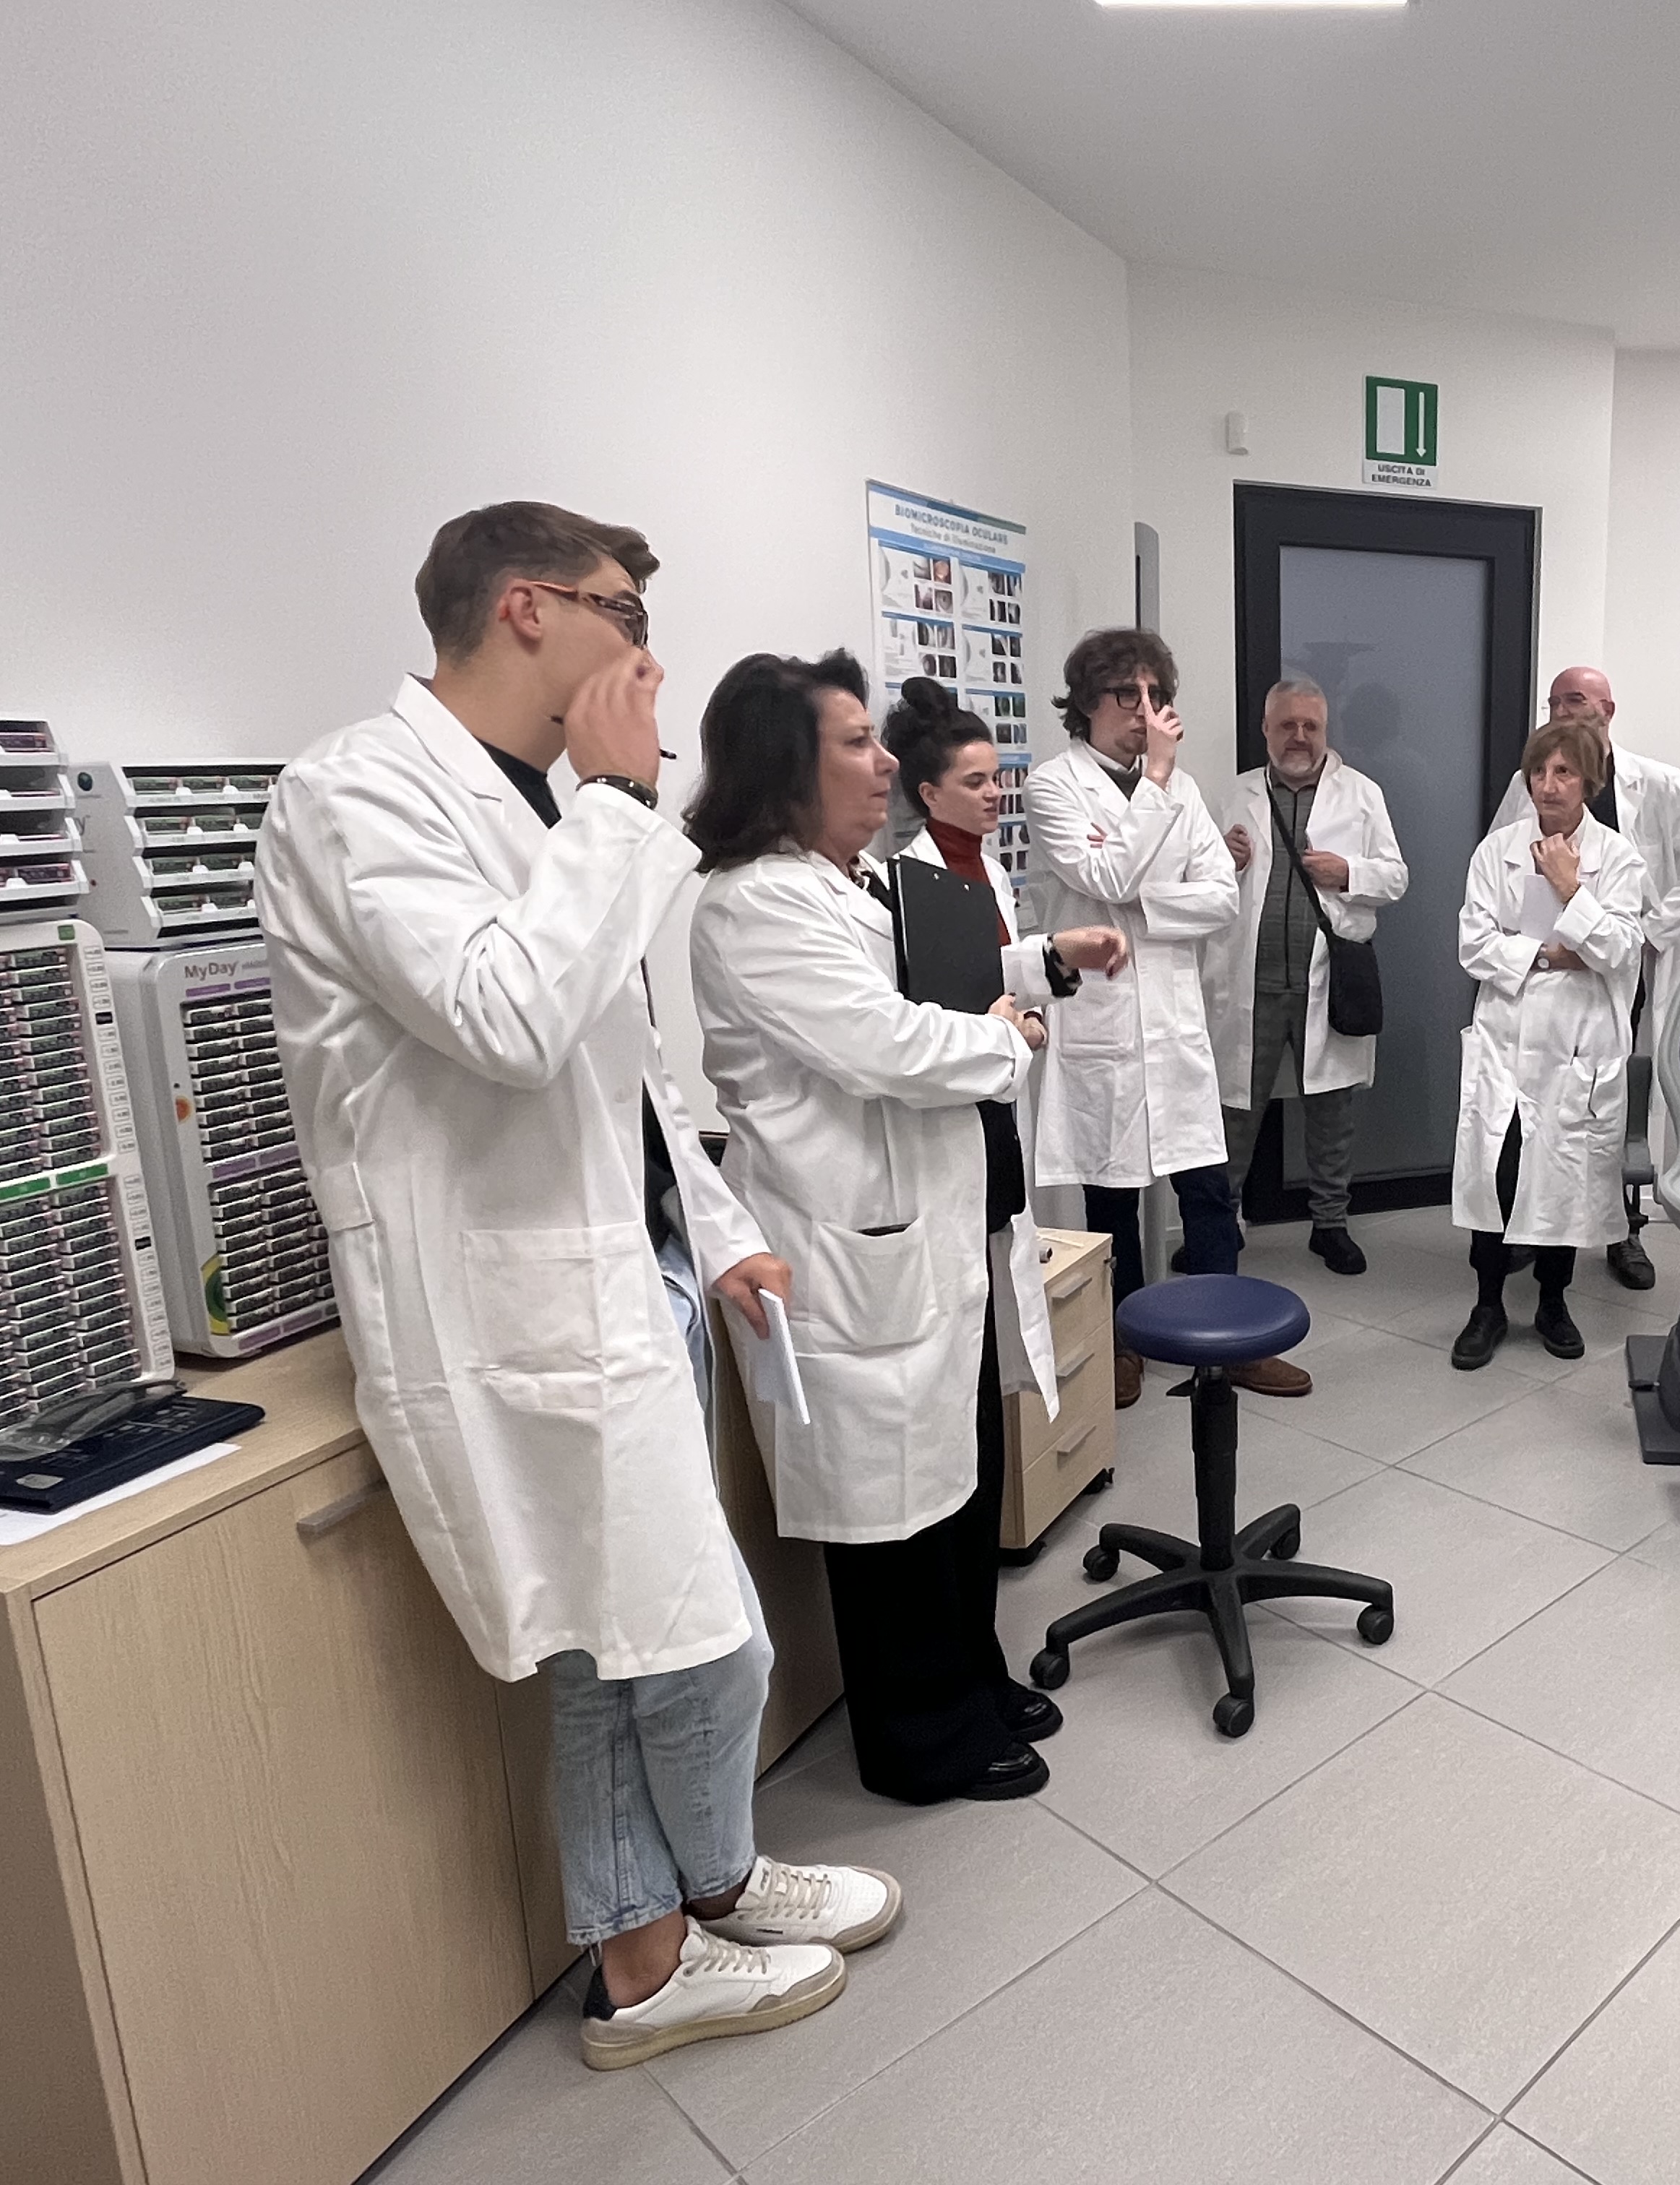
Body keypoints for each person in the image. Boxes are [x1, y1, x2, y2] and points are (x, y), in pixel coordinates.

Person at [259, 503, 895, 2074]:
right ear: (527, 609)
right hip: (505, 1314)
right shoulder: (353, 794)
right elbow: (508, 1018)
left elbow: (630, 1073)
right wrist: (616, 802)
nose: (647, 654)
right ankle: (653, 1957)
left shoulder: (535, 808)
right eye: (625, 613)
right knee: (667, 1643)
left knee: (651, 1637)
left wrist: (718, 1226)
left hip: (623, 1274)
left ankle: (699, 1896)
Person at [684, 654, 1089, 1807]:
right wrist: (1008, 1038)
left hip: (925, 1235)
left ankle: (972, 1678)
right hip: (849, 1246)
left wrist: (1028, 977)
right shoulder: (756, 903)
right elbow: (890, 1044)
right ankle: (919, 1742)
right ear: (785, 769)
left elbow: (933, 985)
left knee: (953, 1484)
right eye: (857, 743)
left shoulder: (854, 883)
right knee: (891, 1517)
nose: (884, 764)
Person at [1025, 627, 1309, 1402]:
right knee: (1112, 1194)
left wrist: (1138, 901)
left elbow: (1219, 899)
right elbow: (1103, 876)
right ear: (1087, 703)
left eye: (1157, 696)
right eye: (1128, 695)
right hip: (1101, 1018)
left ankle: (1230, 1342)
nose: (1147, 712)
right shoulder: (1053, 787)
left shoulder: (1181, 790)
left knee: (1208, 1186)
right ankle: (1124, 1342)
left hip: (1174, 1021)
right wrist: (1151, 789)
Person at [1492, 666, 1680, 1288]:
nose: (1563, 710)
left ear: (1608, 709)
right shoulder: (1530, 783)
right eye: (1554, 701)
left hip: (1622, 967)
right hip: (1547, 968)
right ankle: (1535, 1225)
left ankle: (1624, 1229)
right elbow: (1500, 859)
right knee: (1541, 1095)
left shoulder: (1655, 783)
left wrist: (1655, 929)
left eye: (1576, 699)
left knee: (1617, 1098)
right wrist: (1530, 948)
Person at [1449, 722, 1650, 1369]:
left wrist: (1570, 887)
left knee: (1565, 1174)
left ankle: (1553, 1303)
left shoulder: (1617, 857)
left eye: (1564, 772)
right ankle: (1487, 1305)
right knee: (1497, 1172)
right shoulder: (1497, 851)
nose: (1548, 785)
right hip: (1506, 1038)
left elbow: (1621, 949)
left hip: (1577, 1044)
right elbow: (1473, 945)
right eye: (1539, 772)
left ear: (1588, 781)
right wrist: (1548, 954)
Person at [1210, 673, 1410, 1277]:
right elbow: (1197, 879)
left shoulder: (1362, 794)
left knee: (1331, 1111)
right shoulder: (1235, 793)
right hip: (1252, 980)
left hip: (1328, 981)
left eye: (1310, 726)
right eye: (1286, 725)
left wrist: (1349, 872)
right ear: (1266, 730)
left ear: (1326, 730)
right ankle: (1220, 1226)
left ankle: (1330, 1225)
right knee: (1235, 1111)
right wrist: (1223, 859)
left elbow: (1396, 877)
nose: (1298, 736)